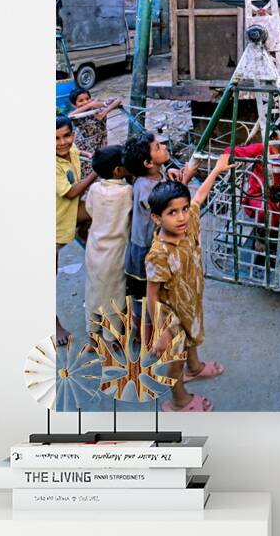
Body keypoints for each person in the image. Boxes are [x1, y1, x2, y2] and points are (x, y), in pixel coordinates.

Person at [144, 153, 232, 413]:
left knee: (193, 336)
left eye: (182, 210)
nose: (182, 217)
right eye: (172, 213)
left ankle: (194, 369)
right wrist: (160, 330)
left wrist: (216, 170)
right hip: (170, 315)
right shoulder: (158, 253)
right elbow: (151, 294)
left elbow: (199, 198)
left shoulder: (188, 224)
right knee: (176, 356)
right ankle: (178, 400)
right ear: (157, 219)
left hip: (190, 299)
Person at [122, 131, 178, 318]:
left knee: (154, 288)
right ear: (148, 163)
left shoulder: (154, 175)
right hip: (145, 248)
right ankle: (143, 327)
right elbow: (168, 208)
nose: (164, 147)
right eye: (158, 147)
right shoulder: (146, 188)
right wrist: (183, 182)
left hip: (153, 244)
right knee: (143, 292)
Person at [56, 117, 99, 343]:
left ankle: (86, 236)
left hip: (71, 214)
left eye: (66, 136)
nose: (62, 142)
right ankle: (54, 324)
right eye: (56, 139)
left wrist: (89, 156)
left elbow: (76, 150)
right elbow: (71, 193)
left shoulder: (70, 148)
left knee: (99, 209)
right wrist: (96, 173)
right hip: (53, 226)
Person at [83, 145, 132, 338]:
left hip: (94, 249)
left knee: (94, 290)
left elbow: (90, 210)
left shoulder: (95, 188)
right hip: (115, 253)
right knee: (113, 295)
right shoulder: (127, 191)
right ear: (118, 170)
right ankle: (110, 337)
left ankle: (92, 332)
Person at [68, 88, 122, 174]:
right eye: (81, 101)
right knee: (88, 169)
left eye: (87, 99)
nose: (85, 102)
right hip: (86, 146)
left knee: (103, 167)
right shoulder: (78, 114)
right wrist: (90, 105)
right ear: (74, 104)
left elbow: (118, 100)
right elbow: (69, 116)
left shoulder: (98, 107)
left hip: (101, 142)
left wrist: (105, 111)